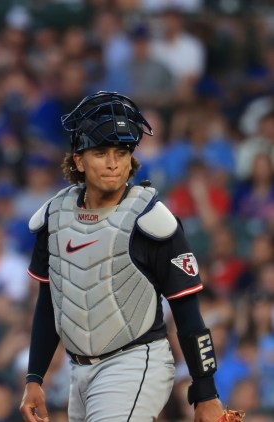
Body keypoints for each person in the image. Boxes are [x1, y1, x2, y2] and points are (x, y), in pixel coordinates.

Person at [19, 91, 225, 422]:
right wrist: (34, 378)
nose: (113, 162)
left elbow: (188, 314)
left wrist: (206, 392)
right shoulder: (54, 217)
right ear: (79, 160)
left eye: (122, 152)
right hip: (78, 374)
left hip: (135, 362)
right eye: (100, 152)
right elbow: (50, 304)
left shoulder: (151, 219)